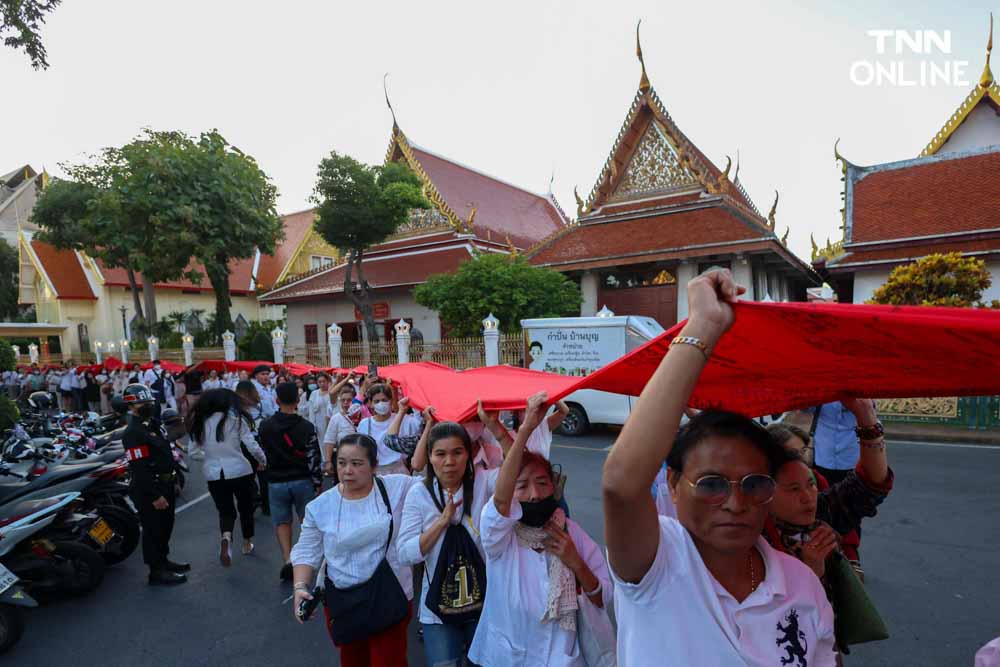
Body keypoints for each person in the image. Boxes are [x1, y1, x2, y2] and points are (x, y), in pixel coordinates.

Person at [601, 268, 836, 666]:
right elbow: (622, 485)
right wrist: (704, 326)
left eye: (755, 484)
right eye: (712, 484)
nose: (735, 502)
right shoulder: (656, 562)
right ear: (673, 485)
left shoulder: (800, 585)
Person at [467, 391, 613, 667]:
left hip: (563, 658)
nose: (535, 494)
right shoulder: (500, 538)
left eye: (543, 483)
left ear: (555, 486)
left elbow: (606, 597)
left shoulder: (570, 532)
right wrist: (524, 430)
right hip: (510, 655)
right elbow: (499, 500)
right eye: (521, 487)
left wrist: (576, 563)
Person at [765, 408, 893, 654]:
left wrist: (867, 418)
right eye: (793, 489)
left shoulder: (821, 512)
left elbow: (871, 485)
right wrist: (810, 571)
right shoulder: (753, 536)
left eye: (810, 484)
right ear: (765, 492)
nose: (807, 498)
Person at [291, 433, 419, 666]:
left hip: (390, 596)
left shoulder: (397, 487)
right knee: (352, 661)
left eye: (357, 463)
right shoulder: (320, 507)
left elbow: (435, 483)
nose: (347, 470)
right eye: (341, 463)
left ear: (374, 466)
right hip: (344, 602)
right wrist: (300, 586)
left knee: (389, 661)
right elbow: (306, 550)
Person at [398, 421, 499, 667]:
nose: (449, 462)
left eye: (457, 452)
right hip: (438, 612)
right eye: (440, 454)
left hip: (485, 603)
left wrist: (498, 425)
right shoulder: (418, 493)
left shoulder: (485, 482)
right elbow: (404, 553)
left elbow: (517, 472)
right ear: (430, 457)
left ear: (470, 453)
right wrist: (442, 522)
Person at [120, 383, 190, 585]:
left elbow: (165, 453)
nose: (149, 404)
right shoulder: (133, 432)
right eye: (144, 402)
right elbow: (139, 468)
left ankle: (164, 560)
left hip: (165, 484)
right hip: (150, 489)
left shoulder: (150, 424)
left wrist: (174, 478)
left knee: (165, 527)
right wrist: (154, 495)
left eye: (149, 401)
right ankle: (156, 571)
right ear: (132, 406)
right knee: (153, 530)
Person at [189, 388, 267, 566]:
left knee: (225, 511)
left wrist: (209, 457)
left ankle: (226, 536)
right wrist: (263, 460)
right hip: (240, 471)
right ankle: (247, 543)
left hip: (214, 473)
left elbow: (193, 453)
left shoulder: (200, 423)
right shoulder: (236, 420)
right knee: (246, 508)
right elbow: (252, 445)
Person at [258, 382, 322, 582]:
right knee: (307, 522)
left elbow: (262, 452)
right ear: (297, 401)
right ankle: (306, 559)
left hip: (276, 480)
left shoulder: (265, 426)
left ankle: (287, 558)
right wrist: (317, 481)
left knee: (282, 522)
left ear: (276, 400)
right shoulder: (307, 427)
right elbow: (313, 457)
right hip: (302, 479)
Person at [357, 383, 408, 475]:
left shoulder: (401, 419)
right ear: (370, 403)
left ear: (391, 401)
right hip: (375, 472)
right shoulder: (364, 424)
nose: (381, 404)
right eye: (376, 401)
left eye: (384, 400)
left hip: (398, 470)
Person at [808, 402, 861, 485]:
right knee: (823, 492)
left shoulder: (861, 392)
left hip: (851, 455)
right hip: (823, 454)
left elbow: (870, 408)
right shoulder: (823, 390)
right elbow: (807, 409)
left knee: (850, 494)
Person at [321, 380, 359, 478]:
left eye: (349, 400)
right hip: (343, 461)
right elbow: (329, 440)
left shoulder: (363, 415)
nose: (346, 403)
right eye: (343, 400)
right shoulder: (336, 418)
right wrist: (328, 461)